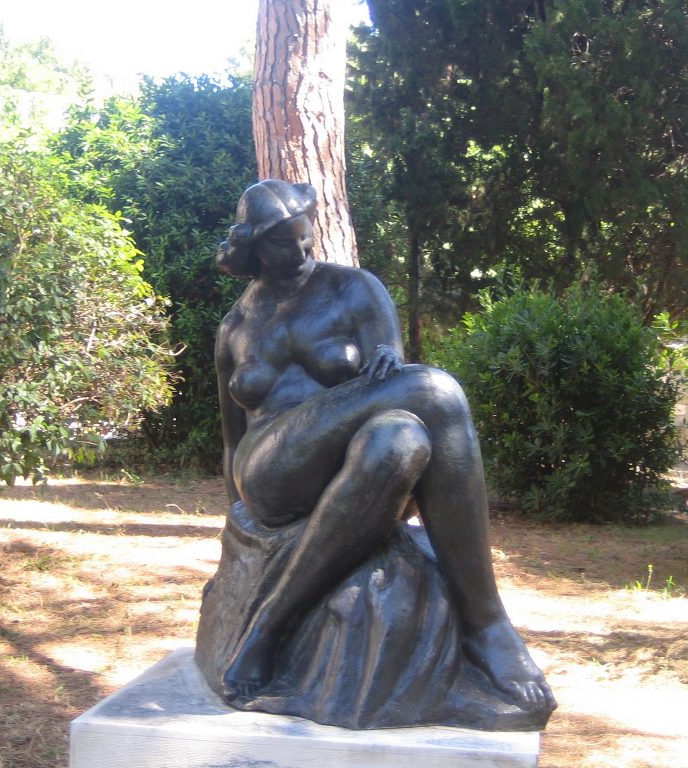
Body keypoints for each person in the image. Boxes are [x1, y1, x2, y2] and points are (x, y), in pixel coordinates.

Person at [211, 179, 556, 719]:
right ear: (254, 246)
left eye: (307, 238)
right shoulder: (235, 325)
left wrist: (386, 377)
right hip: (270, 471)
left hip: (352, 455)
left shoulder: (355, 289)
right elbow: (233, 436)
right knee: (435, 390)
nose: (302, 251)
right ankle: (487, 623)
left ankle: (267, 632)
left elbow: (385, 371)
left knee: (401, 438)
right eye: (285, 243)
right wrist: (237, 525)